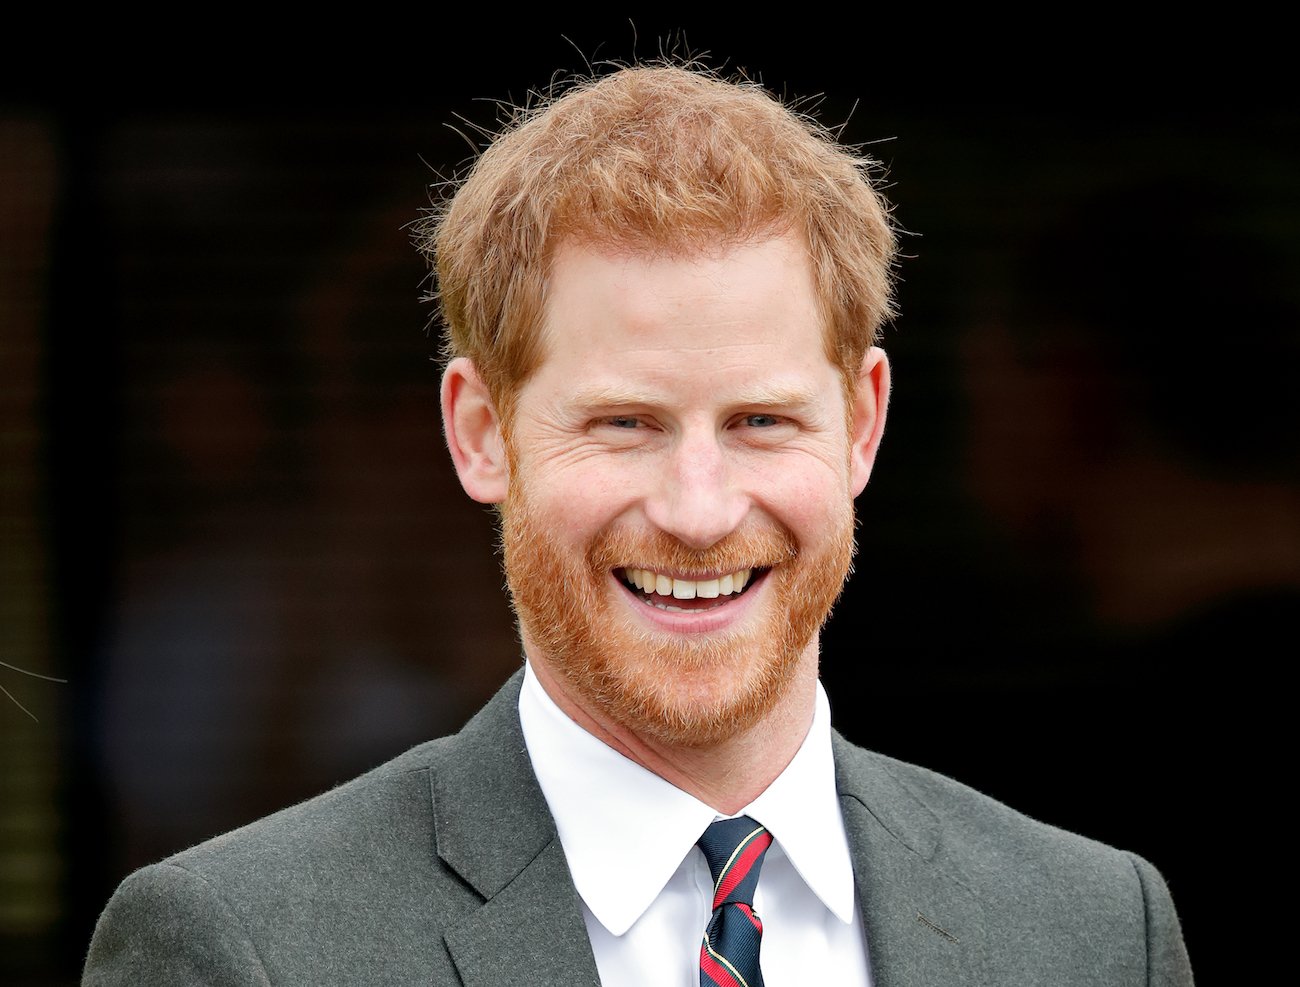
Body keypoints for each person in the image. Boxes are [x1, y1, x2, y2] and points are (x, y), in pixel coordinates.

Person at [82, 64, 1194, 986]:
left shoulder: (1095, 932)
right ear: (480, 433)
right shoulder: (238, 949)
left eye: (761, 420)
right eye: (624, 424)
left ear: (862, 426)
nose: (699, 510)